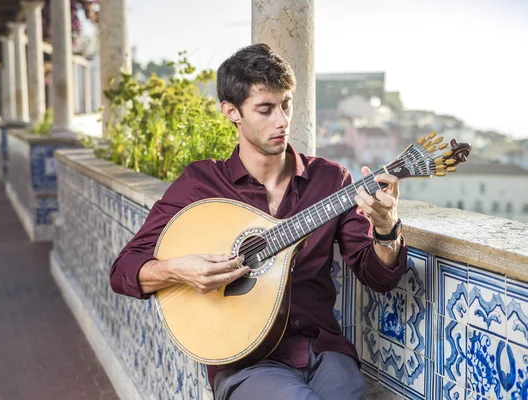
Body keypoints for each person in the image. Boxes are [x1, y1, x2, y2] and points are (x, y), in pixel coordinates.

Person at [110, 43, 408, 400]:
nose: (282, 121)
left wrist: (387, 228)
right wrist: (178, 270)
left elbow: (378, 276)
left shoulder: (330, 182)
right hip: (245, 361)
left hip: (322, 349)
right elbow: (123, 271)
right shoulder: (201, 184)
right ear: (232, 112)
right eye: (265, 109)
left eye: (286, 105)